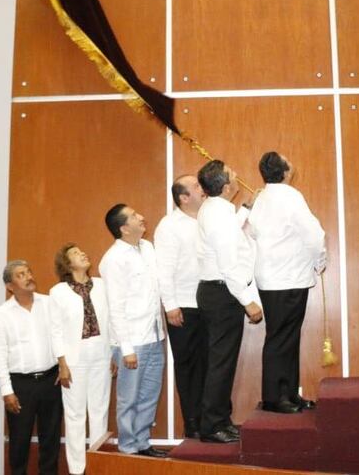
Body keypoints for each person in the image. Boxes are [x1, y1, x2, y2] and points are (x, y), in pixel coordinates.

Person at [248, 152, 326, 412]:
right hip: (289, 277)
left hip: (270, 277)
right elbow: (314, 235)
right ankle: (275, 398)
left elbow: (252, 231)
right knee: (282, 339)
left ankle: (289, 393)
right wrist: (320, 261)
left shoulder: (261, 198)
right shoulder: (291, 196)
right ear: (285, 172)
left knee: (285, 338)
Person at [196, 160, 263, 443]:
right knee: (221, 362)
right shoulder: (217, 215)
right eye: (232, 174)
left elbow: (230, 235)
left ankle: (221, 419)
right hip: (222, 293)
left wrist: (246, 208)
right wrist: (248, 301)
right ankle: (212, 426)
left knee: (222, 360)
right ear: (225, 187)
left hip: (219, 292)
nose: (237, 176)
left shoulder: (218, 210)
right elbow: (229, 264)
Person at [98, 204, 169, 458]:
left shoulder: (147, 248)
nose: (142, 217)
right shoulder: (113, 259)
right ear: (124, 228)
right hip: (131, 342)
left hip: (154, 336)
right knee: (128, 399)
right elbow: (115, 307)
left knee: (149, 395)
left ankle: (142, 443)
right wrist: (126, 349)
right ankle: (128, 449)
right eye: (134, 216)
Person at [0, 260, 62, 475]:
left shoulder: (48, 303)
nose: (29, 277)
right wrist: (6, 391)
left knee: (51, 437)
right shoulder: (1, 314)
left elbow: (59, 336)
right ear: (10, 286)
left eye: (28, 272)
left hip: (51, 380)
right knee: (19, 440)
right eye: (21, 275)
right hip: (20, 385)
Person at [48, 244, 112, 475]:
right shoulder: (58, 292)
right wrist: (62, 364)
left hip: (101, 355)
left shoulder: (102, 285)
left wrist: (113, 352)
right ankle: (77, 469)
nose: (83, 253)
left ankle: (97, 466)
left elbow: (111, 320)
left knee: (99, 411)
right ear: (67, 264)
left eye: (82, 251)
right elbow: (55, 330)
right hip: (74, 359)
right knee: (75, 415)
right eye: (75, 253)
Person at [153, 175, 207, 438]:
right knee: (188, 367)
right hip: (182, 307)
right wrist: (171, 306)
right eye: (196, 186)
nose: (202, 188)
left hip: (208, 303)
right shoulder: (169, 225)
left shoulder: (207, 217)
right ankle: (193, 423)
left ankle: (211, 419)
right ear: (184, 198)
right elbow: (163, 270)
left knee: (209, 364)